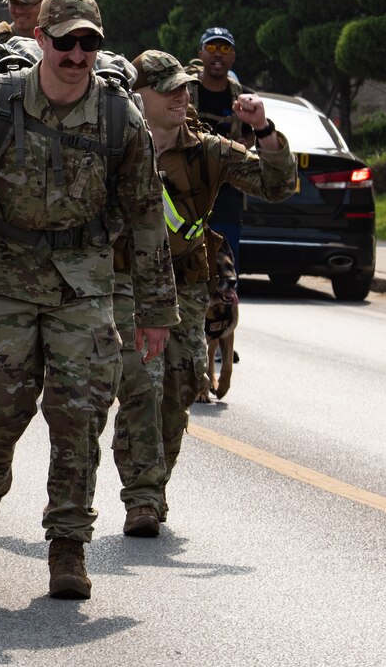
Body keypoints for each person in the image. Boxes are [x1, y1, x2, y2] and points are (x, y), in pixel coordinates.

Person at [0, 0, 174, 601]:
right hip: (4, 278)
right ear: (40, 39)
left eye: (87, 42)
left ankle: (68, 545)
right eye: (63, 41)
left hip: (82, 282)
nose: (75, 53)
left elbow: (147, 217)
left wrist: (154, 311)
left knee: (81, 414)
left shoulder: (121, 117)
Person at [113, 50, 295, 537]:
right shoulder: (115, 145)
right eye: (168, 88)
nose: (180, 95)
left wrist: (265, 129)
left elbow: (279, 184)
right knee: (140, 383)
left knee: (181, 383)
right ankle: (143, 496)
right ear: (139, 94)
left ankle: (155, 484)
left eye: (183, 87)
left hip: (185, 283)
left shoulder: (208, 151)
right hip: (126, 282)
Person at [189, 27, 252, 261]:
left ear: (233, 56)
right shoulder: (183, 92)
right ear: (201, 53)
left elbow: (255, 134)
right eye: (212, 48)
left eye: (225, 48)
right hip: (186, 192)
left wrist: (244, 144)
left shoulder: (245, 98)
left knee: (226, 264)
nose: (218, 54)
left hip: (227, 194)